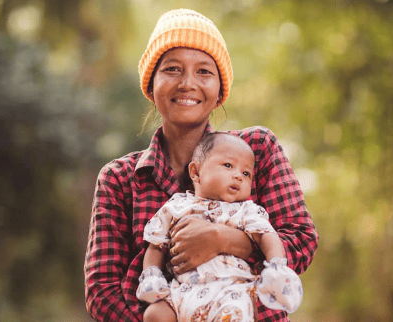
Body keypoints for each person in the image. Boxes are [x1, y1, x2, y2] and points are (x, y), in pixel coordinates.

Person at [84, 8, 318, 322]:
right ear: (151, 85)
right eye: (172, 69)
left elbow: (301, 241)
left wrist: (222, 240)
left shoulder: (257, 150)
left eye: (204, 71)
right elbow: (102, 292)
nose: (187, 83)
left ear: (220, 92)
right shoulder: (120, 179)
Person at [136, 132, 303, 322]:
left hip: (230, 292)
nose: (238, 176)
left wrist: (276, 266)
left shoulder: (246, 210)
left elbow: (267, 236)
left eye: (246, 173)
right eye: (228, 166)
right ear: (195, 172)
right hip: (182, 293)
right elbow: (156, 244)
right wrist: (151, 275)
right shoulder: (175, 207)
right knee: (154, 314)